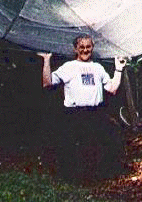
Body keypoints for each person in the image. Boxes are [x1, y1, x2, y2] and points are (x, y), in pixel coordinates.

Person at [37, 34, 127, 180]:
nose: (85, 50)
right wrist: (46, 60)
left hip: (95, 113)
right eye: (82, 47)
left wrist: (119, 69)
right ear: (76, 49)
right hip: (74, 114)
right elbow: (47, 83)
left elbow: (112, 89)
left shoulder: (98, 68)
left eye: (88, 47)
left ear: (92, 48)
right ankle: (73, 180)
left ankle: (100, 178)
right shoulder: (69, 67)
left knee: (100, 144)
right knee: (73, 148)